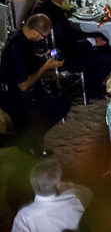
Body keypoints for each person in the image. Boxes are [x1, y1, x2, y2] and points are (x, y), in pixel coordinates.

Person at [33, 0, 111, 99]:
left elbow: (68, 34)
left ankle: (90, 82)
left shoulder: (47, 3)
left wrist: (91, 36)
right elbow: (66, 46)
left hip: (63, 46)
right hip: (61, 56)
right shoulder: (54, 15)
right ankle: (90, 86)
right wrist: (91, 41)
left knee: (102, 37)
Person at [0, 14, 70, 154]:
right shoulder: (16, 50)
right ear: (34, 32)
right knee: (60, 106)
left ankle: (26, 138)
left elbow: (28, 60)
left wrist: (43, 57)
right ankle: (22, 140)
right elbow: (23, 85)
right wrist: (45, 68)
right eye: (43, 36)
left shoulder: (19, 36)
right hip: (15, 97)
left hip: (19, 91)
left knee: (58, 97)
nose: (43, 39)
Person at [11, 158, 92, 232]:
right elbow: (88, 191)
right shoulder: (75, 197)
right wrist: (62, 185)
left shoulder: (24, 217)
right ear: (58, 184)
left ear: (31, 181)